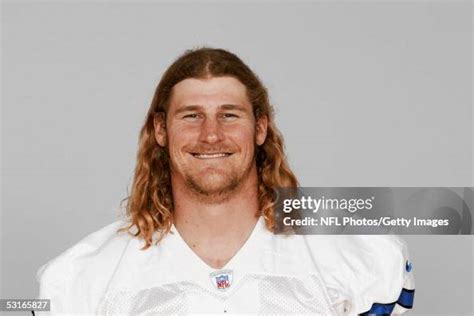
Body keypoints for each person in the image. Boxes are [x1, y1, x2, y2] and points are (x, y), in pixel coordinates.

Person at [36, 47, 415, 315]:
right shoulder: (82, 276)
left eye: (229, 115)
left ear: (261, 127)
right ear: (161, 130)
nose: (211, 135)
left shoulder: (355, 254)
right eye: (191, 116)